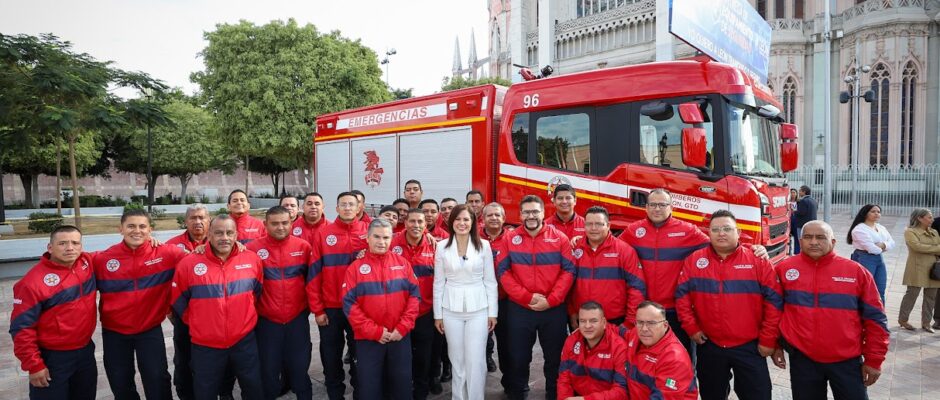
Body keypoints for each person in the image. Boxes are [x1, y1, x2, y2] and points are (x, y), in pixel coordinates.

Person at [618, 188, 767, 358]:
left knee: (682, 359)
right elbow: (614, 247)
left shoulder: (687, 230)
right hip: (644, 309)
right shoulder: (634, 230)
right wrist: (579, 240)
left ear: (671, 207)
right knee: (644, 357)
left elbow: (719, 243)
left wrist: (751, 248)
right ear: (646, 207)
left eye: (662, 204)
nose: (657, 209)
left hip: (674, 311)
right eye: (652, 204)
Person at [771, 221, 889, 400]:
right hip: (803, 360)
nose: (814, 242)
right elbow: (773, 312)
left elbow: (875, 319)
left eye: (820, 237)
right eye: (808, 237)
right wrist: (775, 345)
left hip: (847, 361)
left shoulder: (856, 272)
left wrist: (874, 360)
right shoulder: (783, 269)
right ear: (800, 241)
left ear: (833, 242)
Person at [675, 209, 782, 400]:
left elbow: (774, 301)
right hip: (710, 345)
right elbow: (682, 298)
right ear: (708, 233)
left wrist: (768, 340)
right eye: (715, 229)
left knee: (758, 394)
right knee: (712, 394)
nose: (721, 233)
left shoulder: (757, 260)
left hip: (750, 346)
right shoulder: (694, 260)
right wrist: (691, 328)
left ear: (738, 232)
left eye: (727, 228)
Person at [94, 210, 187, 400]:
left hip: (149, 330)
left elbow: (196, 259)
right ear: (120, 229)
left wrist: (207, 249)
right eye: (131, 226)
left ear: (150, 230)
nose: (137, 231)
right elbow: (74, 262)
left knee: (157, 378)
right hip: (114, 332)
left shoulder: (166, 253)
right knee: (120, 381)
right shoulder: (103, 259)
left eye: (142, 226)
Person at [171, 214, 265, 400]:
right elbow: (178, 301)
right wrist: (201, 324)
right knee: (205, 392)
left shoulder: (252, 260)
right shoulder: (189, 263)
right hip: (206, 345)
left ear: (236, 235)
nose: (225, 237)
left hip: (243, 342)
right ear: (210, 235)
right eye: (219, 233)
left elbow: (256, 294)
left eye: (230, 232)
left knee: (253, 388)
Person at [496, 195, 576, 400]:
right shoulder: (509, 238)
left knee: (554, 357)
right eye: (527, 212)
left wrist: (550, 300)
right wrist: (527, 297)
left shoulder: (559, 238)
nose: (531, 216)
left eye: (535, 211)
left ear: (543, 213)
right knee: (518, 356)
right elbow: (503, 272)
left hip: (553, 309)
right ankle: (518, 392)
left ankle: (553, 393)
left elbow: (568, 271)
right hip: (520, 309)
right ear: (520, 214)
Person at [11, 226, 98, 400]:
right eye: (63, 243)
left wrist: (148, 241)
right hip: (52, 358)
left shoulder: (86, 262)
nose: (70, 248)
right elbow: (21, 328)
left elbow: (118, 253)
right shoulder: (31, 283)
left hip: (85, 352)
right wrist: (34, 365)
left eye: (75, 243)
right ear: (50, 247)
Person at [343, 218, 420, 400]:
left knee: (401, 387)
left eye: (386, 238)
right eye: (376, 237)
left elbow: (414, 297)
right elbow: (349, 304)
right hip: (369, 339)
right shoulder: (355, 268)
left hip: (399, 337)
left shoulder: (402, 264)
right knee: (370, 388)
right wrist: (375, 331)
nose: (381, 242)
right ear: (367, 238)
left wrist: (402, 327)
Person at [246, 206, 314, 399]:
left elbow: (312, 282)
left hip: (297, 320)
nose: (280, 227)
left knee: (300, 369)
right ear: (265, 224)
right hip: (267, 322)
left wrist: (306, 310)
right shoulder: (252, 249)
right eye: (274, 223)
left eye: (285, 222)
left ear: (292, 222)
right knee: (268, 370)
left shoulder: (303, 247)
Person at [433, 205, 498, 400]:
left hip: (479, 309)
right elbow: (438, 283)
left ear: (473, 223)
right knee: (457, 359)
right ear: (451, 222)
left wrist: (492, 312)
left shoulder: (484, 246)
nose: (462, 223)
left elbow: (490, 281)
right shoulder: (441, 246)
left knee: (476, 360)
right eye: (458, 219)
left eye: (466, 220)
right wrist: (438, 315)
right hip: (450, 309)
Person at [306, 191, 368, 400]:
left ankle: (360, 391)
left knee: (359, 352)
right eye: (343, 204)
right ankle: (335, 393)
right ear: (336, 208)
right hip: (331, 307)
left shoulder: (369, 232)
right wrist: (317, 309)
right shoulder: (324, 234)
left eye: (352, 204)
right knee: (331, 354)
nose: (348, 208)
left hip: (359, 307)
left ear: (359, 207)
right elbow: (314, 274)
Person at [568, 206, 646, 330]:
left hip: (615, 321)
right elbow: (568, 284)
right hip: (583, 321)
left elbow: (636, 287)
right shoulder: (574, 248)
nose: (593, 228)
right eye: (589, 224)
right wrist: (572, 312)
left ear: (608, 225)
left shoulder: (624, 251)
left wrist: (629, 322)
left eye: (599, 224)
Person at [166, 204, 212, 400]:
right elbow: (165, 281)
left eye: (202, 217)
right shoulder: (171, 246)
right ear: (186, 221)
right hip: (183, 314)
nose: (198, 221)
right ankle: (185, 394)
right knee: (184, 359)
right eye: (193, 218)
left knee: (212, 359)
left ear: (209, 220)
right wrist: (170, 309)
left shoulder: (221, 241)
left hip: (212, 314)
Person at [390, 208, 437, 399]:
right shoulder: (392, 243)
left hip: (424, 312)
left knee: (423, 357)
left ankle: (421, 392)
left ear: (426, 226)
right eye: (412, 221)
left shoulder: (435, 247)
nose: (416, 225)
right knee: (400, 357)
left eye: (420, 222)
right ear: (405, 223)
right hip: (398, 313)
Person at [623, 301, 698, 399]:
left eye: (651, 323)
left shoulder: (674, 359)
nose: (644, 328)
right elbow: (617, 332)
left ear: (665, 325)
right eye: (640, 322)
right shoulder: (636, 334)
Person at [557, 301, 628, 400]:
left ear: (604, 323)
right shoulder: (571, 340)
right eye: (582, 321)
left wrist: (586, 399)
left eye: (593, 321)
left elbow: (621, 392)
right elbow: (564, 379)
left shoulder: (619, 347)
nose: (587, 326)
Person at [480, 202, 512, 380]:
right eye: (489, 215)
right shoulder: (473, 238)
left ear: (504, 218)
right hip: (480, 301)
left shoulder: (513, 238)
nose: (493, 218)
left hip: (506, 300)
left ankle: (509, 381)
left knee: (508, 344)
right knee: (479, 343)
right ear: (482, 219)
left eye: (497, 215)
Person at [898, 208, 940, 332]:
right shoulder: (910, 231)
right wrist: (936, 248)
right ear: (919, 218)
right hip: (916, 267)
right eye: (929, 217)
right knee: (912, 294)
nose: (932, 219)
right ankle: (903, 320)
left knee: (931, 297)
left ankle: (926, 323)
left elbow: (925, 247)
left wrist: (932, 248)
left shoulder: (934, 232)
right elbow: (916, 247)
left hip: (933, 268)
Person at [848, 204, 895, 304]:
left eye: (878, 212)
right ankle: (863, 315)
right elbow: (873, 249)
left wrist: (882, 245)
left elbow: (892, 243)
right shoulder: (859, 229)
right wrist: (884, 246)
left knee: (880, 290)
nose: (876, 214)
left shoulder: (881, 227)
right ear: (865, 213)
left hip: (879, 259)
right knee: (866, 290)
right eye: (873, 211)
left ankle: (880, 316)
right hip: (864, 258)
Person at [792, 185, 817, 255]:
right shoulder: (813, 200)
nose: (799, 192)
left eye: (800, 191)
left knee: (802, 242)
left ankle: (803, 257)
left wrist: (794, 210)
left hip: (802, 225)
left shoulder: (803, 201)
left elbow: (801, 212)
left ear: (804, 192)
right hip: (812, 225)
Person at [788, 189, 798, 255]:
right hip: (789, 219)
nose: (792, 194)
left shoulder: (799, 202)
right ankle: (789, 251)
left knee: (796, 236)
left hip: (795, 220)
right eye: (791, 193)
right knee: (789, 236)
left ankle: (796, 251)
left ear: (796, 194)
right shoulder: (787, 201)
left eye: (794, 192)